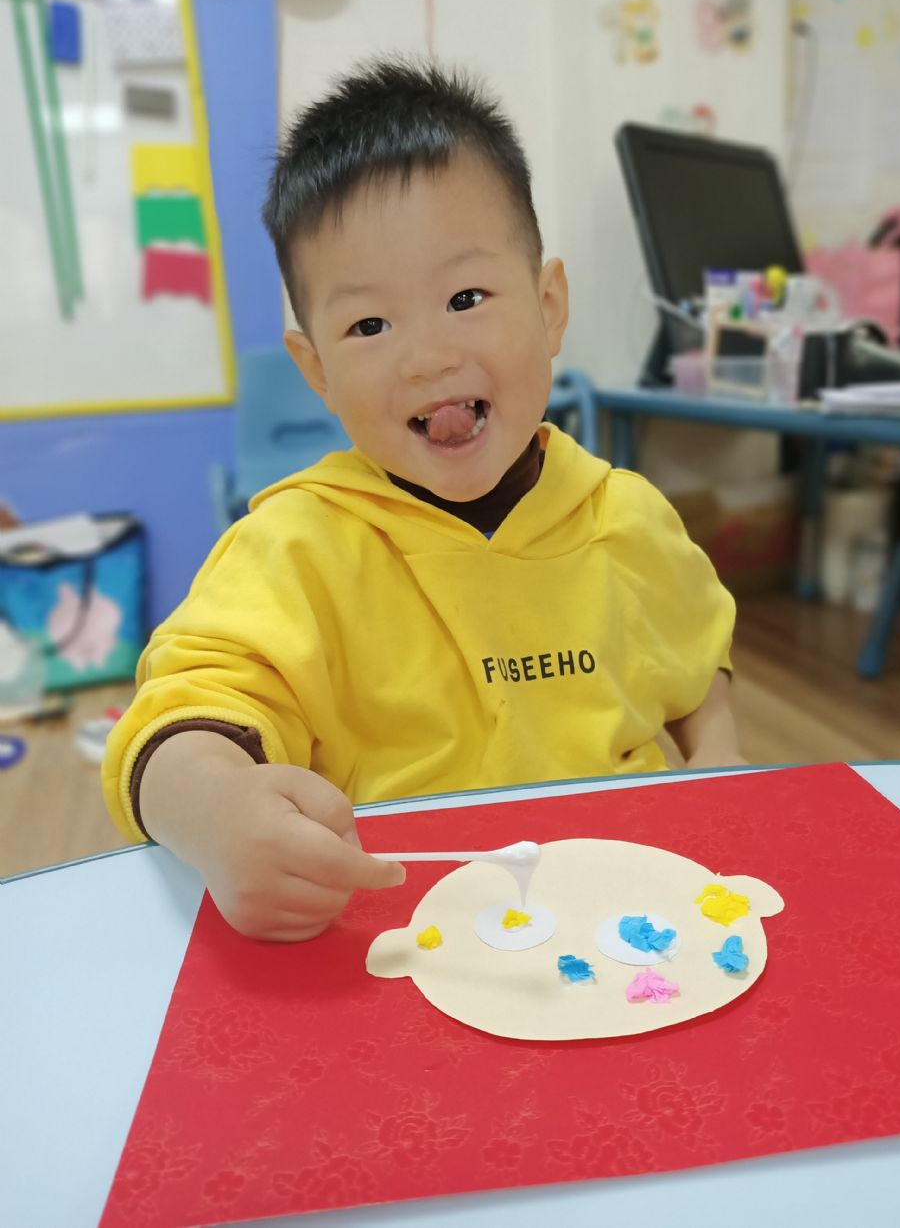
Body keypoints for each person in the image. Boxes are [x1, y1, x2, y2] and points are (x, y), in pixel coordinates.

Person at [102, 58, 741, 942]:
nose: (428, 357)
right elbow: (181, 719)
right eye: (369, 324)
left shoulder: (624, 516)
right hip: (402, 927)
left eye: (465, 298)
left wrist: (721, 753)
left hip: (625, 919)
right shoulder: (295, 549)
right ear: (317, 369)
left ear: (549, 306)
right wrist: (215, 809)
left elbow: (696, 662)